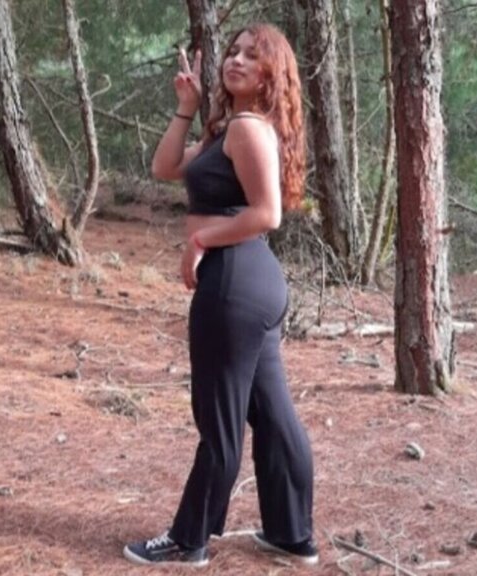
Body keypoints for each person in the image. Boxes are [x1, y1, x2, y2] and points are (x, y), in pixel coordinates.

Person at [123, 23, 317, 568]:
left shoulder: (248, 129)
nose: (236, 60)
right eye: (233, 51)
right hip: (251, 283)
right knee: (271, 414)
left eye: (252, 56)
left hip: (234, 283)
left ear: (270, 75)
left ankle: (189, 539)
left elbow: (267, 214)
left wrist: (201, 240)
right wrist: (186, 108)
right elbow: (164, 168)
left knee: (219, 419)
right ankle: (291, 534)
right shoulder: (229, 129)